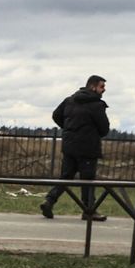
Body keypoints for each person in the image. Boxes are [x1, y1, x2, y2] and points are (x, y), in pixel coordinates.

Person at [40, 75, 110, 222]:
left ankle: (49, 201)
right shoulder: (96, 105)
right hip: (88, 148)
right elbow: (104, 129)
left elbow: (56, 115)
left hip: (70, 146)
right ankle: (89, 211)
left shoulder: (69, 100)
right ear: (93, 87)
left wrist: (69, 129)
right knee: (88, 180)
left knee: (65, 177)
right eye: (101, 87)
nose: (104, 90)